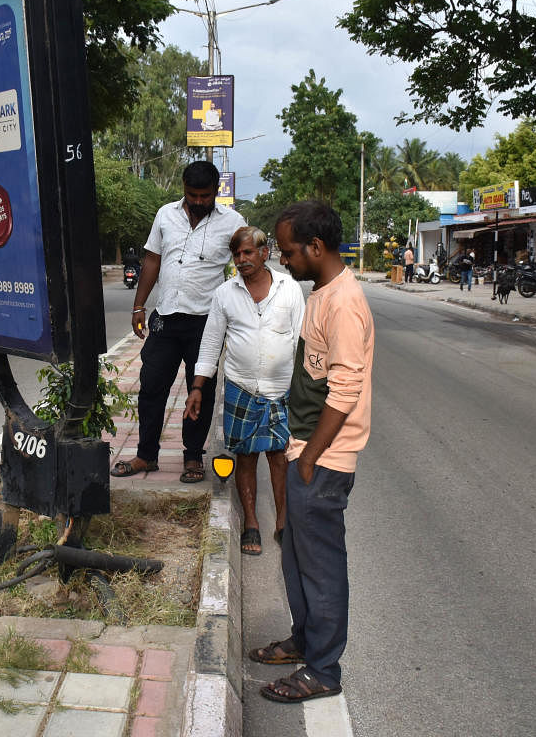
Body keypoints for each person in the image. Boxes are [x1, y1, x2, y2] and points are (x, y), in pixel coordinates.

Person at [250, 201, 375, 705]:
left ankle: (323, 669)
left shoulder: (344, 303)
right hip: (304, 449)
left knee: (321, 566)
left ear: (316, 248)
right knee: (295, 554)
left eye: (287, 252)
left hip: (322, 461)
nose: (282, 261)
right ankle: (304, 640)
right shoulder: (321, 295)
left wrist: (309, 457)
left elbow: (346, 388)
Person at [111, 161, 246, 484]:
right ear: (183, 188)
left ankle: (192, 457)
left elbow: (245, 263)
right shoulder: (165, 215)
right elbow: (153, 260)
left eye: (205, 195)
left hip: (207, 323)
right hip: (166, 318)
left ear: (216, 192)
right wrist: (138, 305)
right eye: (192, 194)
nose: (198, 201)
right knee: (152, 386)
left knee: (202, 390)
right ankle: (146, 455)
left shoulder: (233, 222)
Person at [185, 226, 304, 556]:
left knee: (281, 459)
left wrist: (305, 392)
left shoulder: (289, 290)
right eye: (237, 254)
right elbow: (211, 343)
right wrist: (198, 387)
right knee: (246, 458)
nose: (242, 259)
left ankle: (283, 523)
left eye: (248, 252)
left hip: (281, 390)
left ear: (265, 253)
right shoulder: (225, 294)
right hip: (241, 387)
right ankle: (251, 522)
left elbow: (300, 341)